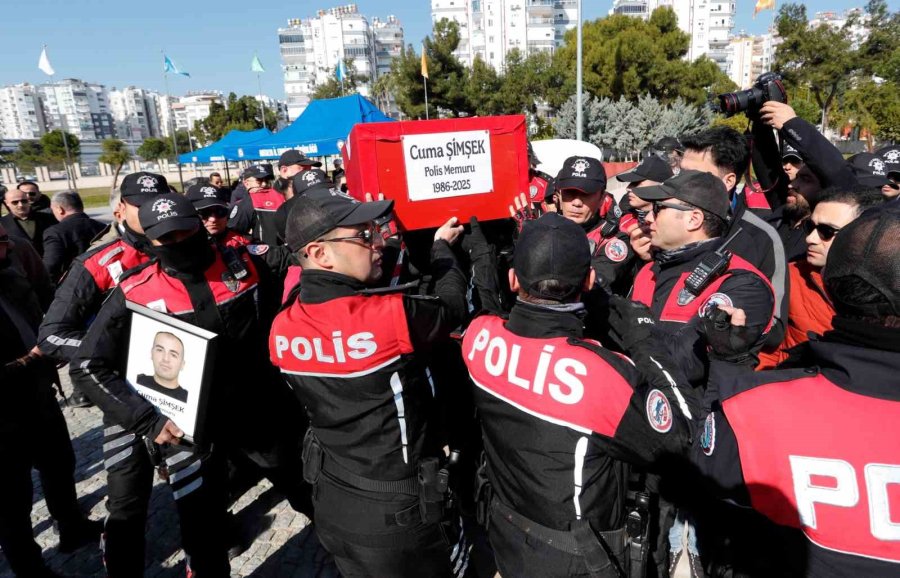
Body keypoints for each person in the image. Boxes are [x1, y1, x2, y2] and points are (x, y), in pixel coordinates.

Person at [462, 212, 694, 578]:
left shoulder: (478, 337)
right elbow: (680, 436)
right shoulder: (603, 374)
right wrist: (642, 340)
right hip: (578, 557)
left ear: (512, 279)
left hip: (506, 531)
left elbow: (494, 313)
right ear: (588, 280)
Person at [269, 188, 469, 577]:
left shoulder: (281, 324)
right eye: (362, 236)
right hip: (402, 514)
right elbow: (453, 305)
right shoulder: (386, 317)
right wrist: (443, 251)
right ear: (320, 253)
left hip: (333, 499)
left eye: (375, 231)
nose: (377, 242)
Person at [693, 205, 900, 577]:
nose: (810, 238)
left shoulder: (754, 406)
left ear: (832, 291)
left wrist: (729, 366)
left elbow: (711, 488)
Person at [70, 193, 261, 577]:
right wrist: (143, 416)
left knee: (202, 519)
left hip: (210, 419)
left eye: (185, 231)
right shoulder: (122, 279)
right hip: (137, 410)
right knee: (127, 506)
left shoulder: (241, 263)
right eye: (164, 237)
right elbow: (83, 360)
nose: (178, 243)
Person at [630, 170, 775, 577]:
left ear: (693, 219)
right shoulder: (649, 271)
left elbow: (682, 362)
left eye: (659, 209)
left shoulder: (741, 283)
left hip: (697, 470)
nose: (648, 218)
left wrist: (630, 331)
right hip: (643, 448)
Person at [0, 224, 101, 578]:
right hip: (3, 415)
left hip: (39, 394)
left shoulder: (10, 274)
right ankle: (30, 569)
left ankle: (71, 527)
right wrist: (33, 359)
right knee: (13, 501)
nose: (8, 246)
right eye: (0, 242)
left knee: (60, 464)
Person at [36, 173, 166, 407]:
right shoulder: (96, 263)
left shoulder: (198, 248)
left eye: (158, 203)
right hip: (130, 392)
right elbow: (52, 336)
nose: (152, 212)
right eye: (141, 205)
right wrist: (115, 348)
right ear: (121, 210)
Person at [671, 127, 788, 348]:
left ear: (729, 180)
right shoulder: (663, 220)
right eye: (681, 174)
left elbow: (774, 329)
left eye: (695, 176)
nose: (681, 185)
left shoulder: (762, 238)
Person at [757, 185, 884, 369]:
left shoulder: (889, 289)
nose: (810, 239)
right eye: (810, 226)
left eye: (827, 231)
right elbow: (766, 351)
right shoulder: (789, 278)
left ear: (865, 235)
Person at [42, 190, 106, 282]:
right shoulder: (103, 227)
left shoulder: (55, 232)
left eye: (53, 210)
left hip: (72, 284)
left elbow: (51, 264)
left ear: (60, 209)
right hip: (104, 280)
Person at [227, 163, 285, 246]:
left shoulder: (280, 197)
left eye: (267, 180)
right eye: (259, 180)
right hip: (273, 251)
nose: (264, 184)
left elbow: (233, 230)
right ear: (246, 183)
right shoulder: (247, 202)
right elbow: (234, 230)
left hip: (263, 252)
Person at [1, 184, 57, 256]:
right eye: (15, 202)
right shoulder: (2, 224)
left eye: (24, 201)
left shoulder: (48, 218)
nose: (20, 205)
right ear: (6, 203)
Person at [136, 331, 189, 403]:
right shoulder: (137, 380)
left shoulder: (188, 400)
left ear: (182, 364)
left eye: (173, 355)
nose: (165, 359)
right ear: (152, 353)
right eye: (160, 350)